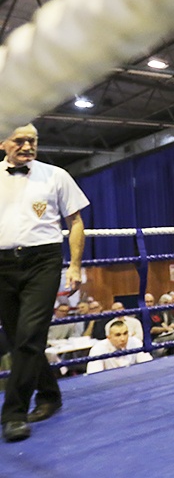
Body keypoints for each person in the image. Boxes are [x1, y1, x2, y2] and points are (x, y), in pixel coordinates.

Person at [0, 123, 89, 442]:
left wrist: (75, 266)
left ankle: (13, 413)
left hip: (44, 261)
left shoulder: (55, 175)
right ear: (3, 143)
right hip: (2, 264)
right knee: (17, 338)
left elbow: (75, 221)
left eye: (32, 140)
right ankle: (50, 394)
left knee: (28, 336)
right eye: (19, 140)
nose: (27, 145)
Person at [85, 320, 152, 374]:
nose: (123, 339)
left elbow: (148, 364)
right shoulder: (98, 349)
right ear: (109, 337)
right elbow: (94, 375)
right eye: (118, 335)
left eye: (125, 333)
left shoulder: (135, 342)